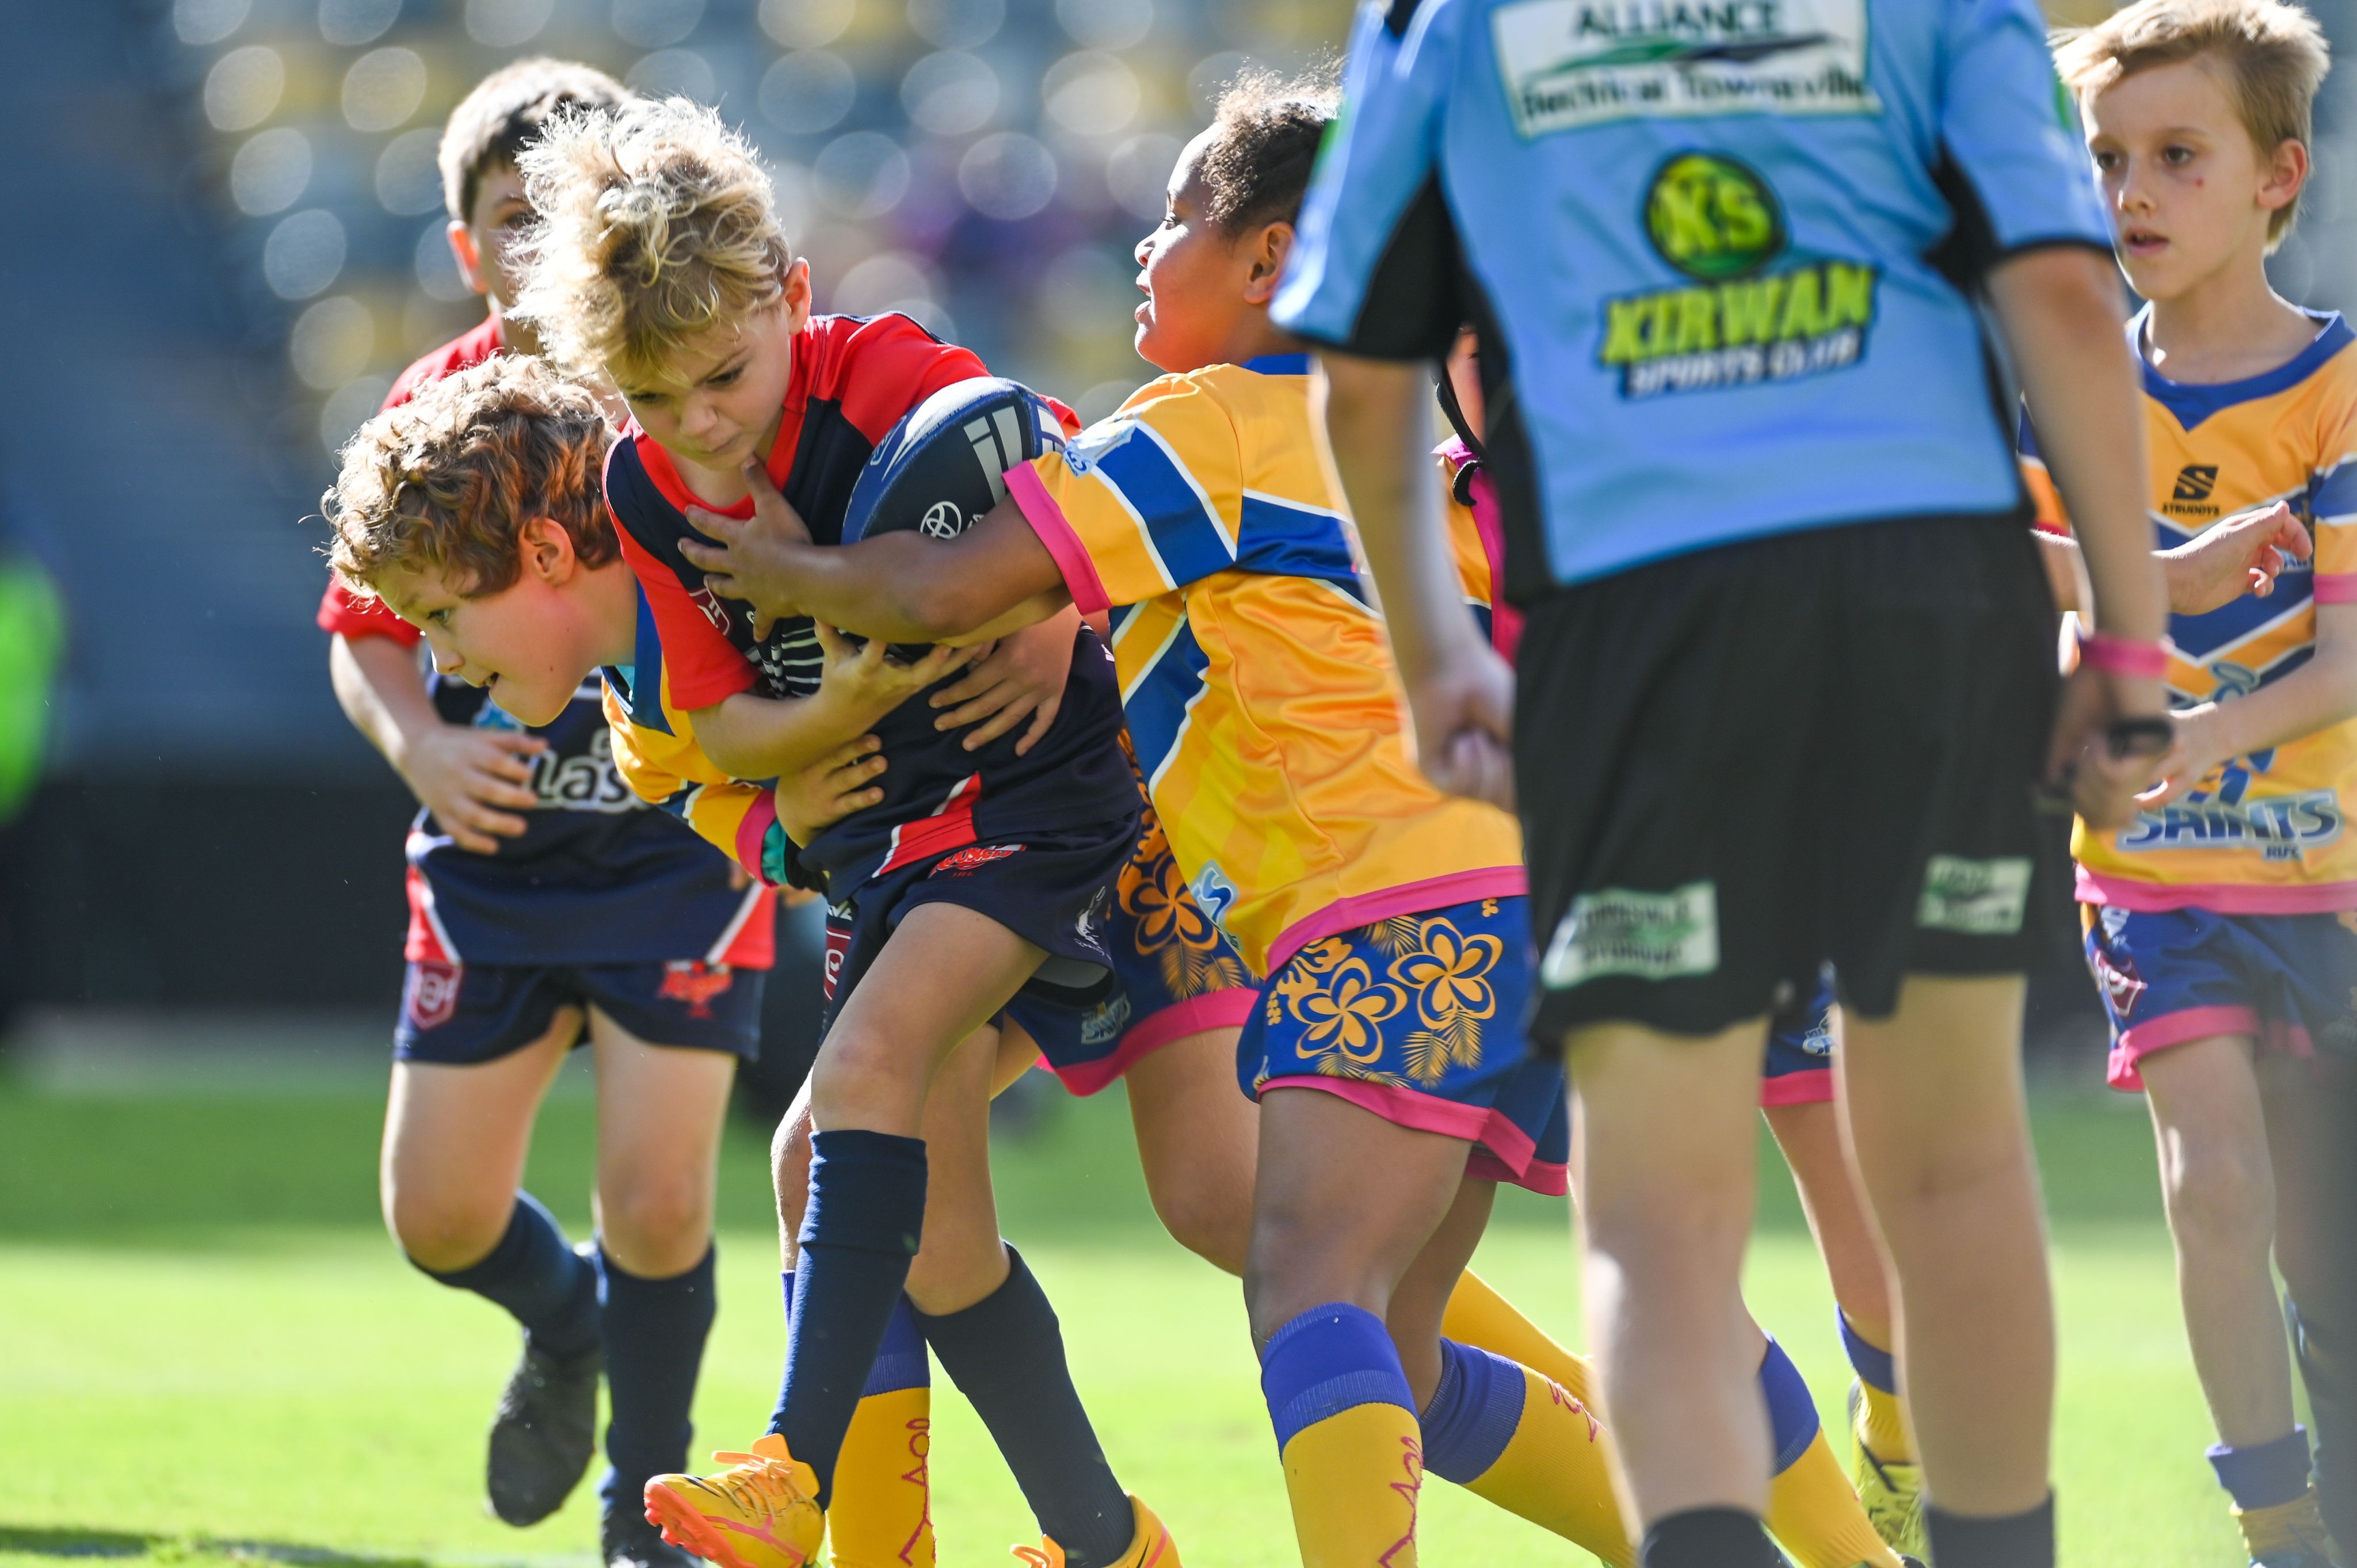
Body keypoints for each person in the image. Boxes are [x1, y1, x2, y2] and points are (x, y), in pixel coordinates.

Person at [674, 78, 1656, 1568]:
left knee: (1296, 1254)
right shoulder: (1372, 430)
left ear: (1271, 257)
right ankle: (1702, 1507)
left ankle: (1681, 1483)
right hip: (1406, 885)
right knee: (1317, 1273)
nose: (1144, 245)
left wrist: (818, 585)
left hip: (1237, 875)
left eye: (1177, 215)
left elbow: (969, 552)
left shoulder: (1189, 422)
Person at [1269, 3, 2176, 1566]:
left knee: (1659, 1216)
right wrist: (2129, 643)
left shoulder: (1447, 24)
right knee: (1955, 1166)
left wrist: (1434, 656)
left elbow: (1359, 371)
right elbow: (2066, 300)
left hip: (1633, 629)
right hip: (1928, 606)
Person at [510, 100, 1177, 1568]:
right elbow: (725, 729)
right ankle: (1110, 1544)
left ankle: (791, 1474)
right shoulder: (641, 485)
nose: (698, 422)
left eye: (722, 376)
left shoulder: (887, 377)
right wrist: (834, 713)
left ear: (792, 296)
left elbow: (1075, 478)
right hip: (892, 847)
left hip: (1037, 804)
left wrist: (1052, 611)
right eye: (651, 395)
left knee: (868, 1083)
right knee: (861, 1187)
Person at [315, 59, 776, 1568]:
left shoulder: (675, 384)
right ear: (464, 244)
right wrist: (421, 750)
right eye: (508, 216)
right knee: (438, 1216)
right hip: (494, 859)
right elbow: (361, 632)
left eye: (559, 212)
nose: (533, 245)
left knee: (660, 1198)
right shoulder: (430, 402)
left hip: (677, 853)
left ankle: (642, 1508)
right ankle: (571, 1320)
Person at [2038, 7, 2350, 1564]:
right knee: (2214, 1179)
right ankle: (2276, 1523)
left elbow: (2346, 661)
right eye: (2108, 159)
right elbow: (2045, 612)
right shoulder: (2067, 387)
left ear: (2277, 176)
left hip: (2331, 878)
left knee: (2331, 1253)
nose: (2132, 192)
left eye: (2176, 155)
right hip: (2156, 882)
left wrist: (2184, 740)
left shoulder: (2341, 382)